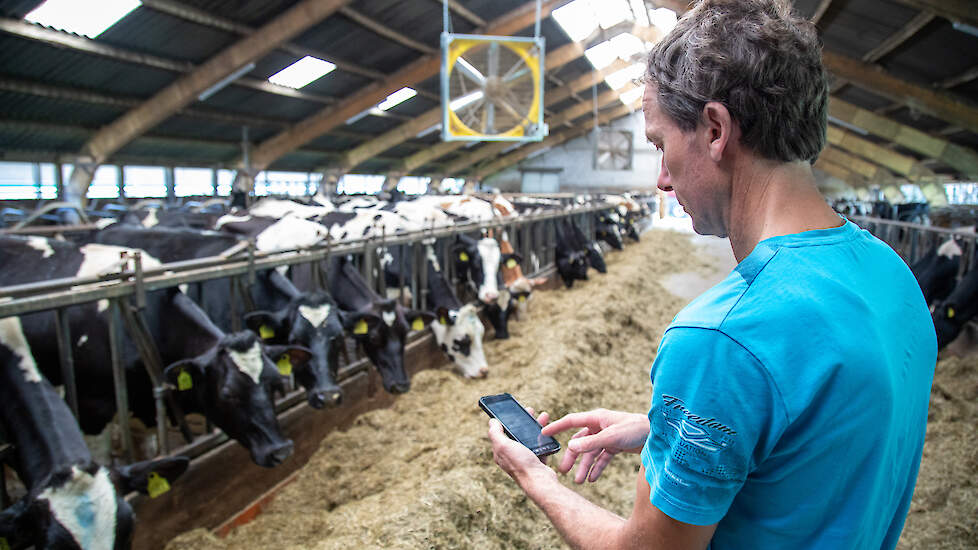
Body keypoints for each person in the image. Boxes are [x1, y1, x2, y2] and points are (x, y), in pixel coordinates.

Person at [486, 0, 936, 548]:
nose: (660, 180)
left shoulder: (722, 338)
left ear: (715, 129)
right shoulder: (891, 275)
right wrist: (661, 430)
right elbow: (819, 439)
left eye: (660, 144)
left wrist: (533, 477)